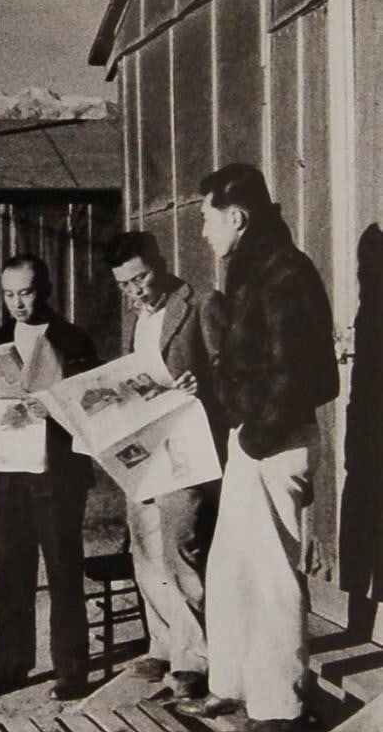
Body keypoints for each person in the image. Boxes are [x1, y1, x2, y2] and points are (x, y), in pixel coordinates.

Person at [177, 163, 339, 731]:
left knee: (269, 574)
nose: (202, 232)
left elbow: (303, 375)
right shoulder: (256, 271)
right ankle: (233, 686)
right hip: (254, 439)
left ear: (237, 218)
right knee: (231, 569)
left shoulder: (283, 274)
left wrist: (255, 433)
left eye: (206, 220)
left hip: (273, 439)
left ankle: (279, 708)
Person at [0, 254, 98, 702]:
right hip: (7, 473)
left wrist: (59, 409)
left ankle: (71, 671)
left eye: (25, 293)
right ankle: (11, 665)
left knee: (64, 571)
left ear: (44, 291)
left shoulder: (72, 340)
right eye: (9, 294)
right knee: (11, 572)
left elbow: (94, 405)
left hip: (56, 474)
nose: (17, 304)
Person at [106, 231, 226, 701]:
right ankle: (163, 644)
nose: (135, 291)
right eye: (124, 285)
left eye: (141, 278)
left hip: (187, 450)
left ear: (161, 262)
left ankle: (197, 659)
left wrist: (205, 384)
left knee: (182, 548)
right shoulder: (135, 317)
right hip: (145, 449)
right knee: (146, 549)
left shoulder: (200, 304)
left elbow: (229, 370)